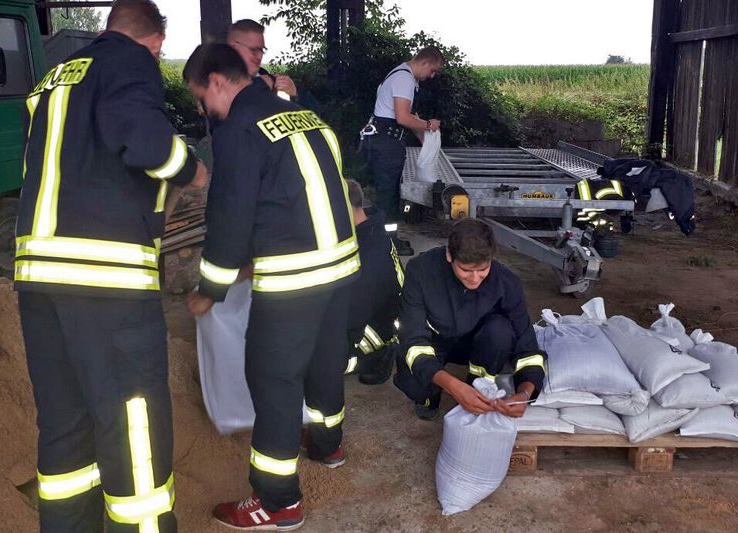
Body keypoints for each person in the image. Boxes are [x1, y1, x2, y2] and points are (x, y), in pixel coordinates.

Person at [15, 1, 206, 531]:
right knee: (134, 422)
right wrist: (191, 170)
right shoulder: (127, 63)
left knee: (65, 424)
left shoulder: (54, 79)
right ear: (155, 43)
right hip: (106, 279)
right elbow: (145, 143)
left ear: (107, 28)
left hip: (38, 278)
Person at [184, 43, 358, 531]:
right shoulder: (306, 117)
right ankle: (329, 446)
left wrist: (210, 290)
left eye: (202, 97)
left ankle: (277, 502)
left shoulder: (239, 129)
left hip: (292, 280)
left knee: (274, 380)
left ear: (218, 81)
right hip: (340, 267)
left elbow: (230, 218)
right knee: (325, 360)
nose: (205, 109)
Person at [393, 219, 546, 421]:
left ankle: (478, 388)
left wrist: (525, 394)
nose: (474, 279)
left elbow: (527, 347)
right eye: (465, 270)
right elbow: (412, 339)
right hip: (434, 340)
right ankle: (431, 396)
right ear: (449, 255)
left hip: (477, 344)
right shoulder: (420, 271)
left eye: (482, 270)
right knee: (414, 383)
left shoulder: (506, 283)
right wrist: (451, 385)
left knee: (500, 331)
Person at [364, 47, 444, 222]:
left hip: (384, 140)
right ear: (424, 62)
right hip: (387, 143)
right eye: (433, 70)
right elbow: (402, 117)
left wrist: (422, 134)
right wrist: (429, 125)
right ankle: (389, 242)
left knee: (389, 194)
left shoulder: (401, 74)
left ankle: (386, 237)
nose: (432, 76)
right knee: (388, 197)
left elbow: (408, 116)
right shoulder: (404, 79)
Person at [344, 179, 403, 384]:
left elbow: (356, 310)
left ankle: (378, 356)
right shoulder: (370, 229)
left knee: (321, 362)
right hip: (378, 312)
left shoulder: (368, 251)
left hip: (377, 326)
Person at [227, 18, 299, 100]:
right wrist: (261, 83)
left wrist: (294, 94)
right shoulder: (215, 83)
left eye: (262, 50)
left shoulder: (273, 81)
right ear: (233, 48)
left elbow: (315, 109)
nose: (259, 56)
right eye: (253, 50)